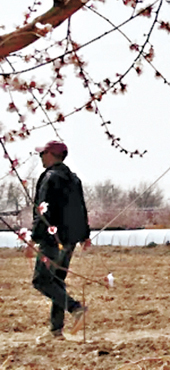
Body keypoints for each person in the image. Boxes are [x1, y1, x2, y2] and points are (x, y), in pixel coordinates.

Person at [27, 140, 91, 341]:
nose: (40, 157)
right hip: (69, 241)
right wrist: (85, 235)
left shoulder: (49, 178)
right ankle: (56, 330)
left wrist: (33, 239)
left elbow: (43, 211)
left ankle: (75, 308)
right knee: (57, 282)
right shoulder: (74, 179)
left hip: (51, 239)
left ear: (50, 155)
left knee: (41, 280)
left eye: (42, 153)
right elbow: (81, 208)